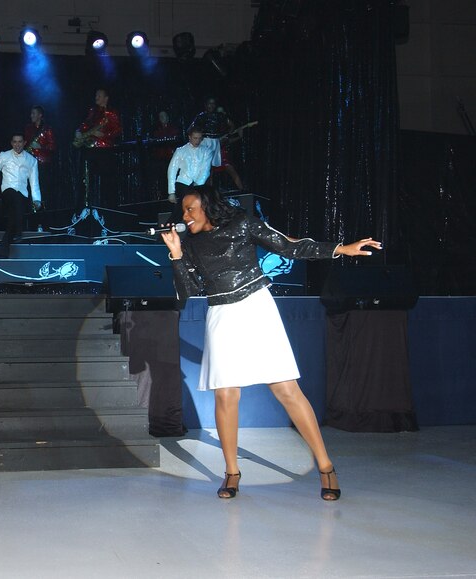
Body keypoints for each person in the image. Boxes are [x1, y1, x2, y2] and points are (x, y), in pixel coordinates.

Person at [161, 186, 382, 500]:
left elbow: (289, 248)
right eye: (183, 211)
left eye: (190, 209)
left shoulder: (242, 223)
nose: (184, 216)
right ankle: (232, 472)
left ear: (208, 207)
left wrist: (340, 249)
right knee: (226, 395)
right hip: (221, 313)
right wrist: (177, 254)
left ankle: (325, 466)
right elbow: (187, 292)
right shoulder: (191, 243)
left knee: (286, 389)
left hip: (255, 306)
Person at [0, 133, 41, 259]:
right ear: (11, 143)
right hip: (8, 190)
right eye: (15, 142)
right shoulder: (4, 156)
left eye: (20, 142)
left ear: (24, 142)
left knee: (14, 213)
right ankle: (18, 231)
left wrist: (37, 199)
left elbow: (34, 182)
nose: (17, 144)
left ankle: (4, 248)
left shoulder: (31, 160)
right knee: (15, 200)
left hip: (22, 193)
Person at [73, 88, 121, 208]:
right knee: (87, 179)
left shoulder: (112, 113)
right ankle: (86, 207)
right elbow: (85, 124)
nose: (96, 97)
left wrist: (104, 135)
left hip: (105, 150)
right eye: (96, 95)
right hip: (90, 149)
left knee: (107, 181)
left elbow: (117, 130)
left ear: (106, 98)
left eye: (99, 95)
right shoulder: (92, 111)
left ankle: (110, 208)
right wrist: (79, 131)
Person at [166, 126, 221, 222]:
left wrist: (198, 186)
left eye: (199, 138)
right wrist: (171, 192)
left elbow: (205, 170)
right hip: (183, 182)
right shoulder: (180, 151)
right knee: (181, 208)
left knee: (204, 206)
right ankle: (168, 230)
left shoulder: (207, 152)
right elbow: (172, 170)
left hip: (199, 184)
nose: (197, 141)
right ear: (189, 137)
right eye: (195, 138)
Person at [191, 97, 244, 191]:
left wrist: (226, 136)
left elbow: (231, 126)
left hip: (216, 143)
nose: (211, 106)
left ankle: (211, 192)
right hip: (205, 142)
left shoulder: (219, 116)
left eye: (213, 104)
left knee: (213, 168)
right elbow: (191, 129)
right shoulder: (201, 116)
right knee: (206, 169)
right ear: (205, 105)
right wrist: (199, 138)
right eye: (209, 103)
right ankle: (206, 192)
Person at [24, 105, 56, 221]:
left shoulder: (47, 129)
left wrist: (40, 146)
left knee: (43, 190)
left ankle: (43, 219)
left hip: (43, 165)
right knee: (29, 190)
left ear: (40, 115)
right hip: (29, 164)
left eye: (33, 113)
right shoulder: (28, 128)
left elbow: (52, 147)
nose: (31, 116)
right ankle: (31, 218)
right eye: (31, 113)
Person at [149, 110, 180, 199]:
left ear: (168, 117)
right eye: (160, 117)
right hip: (160, 159)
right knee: (162, 179)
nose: (163, 118)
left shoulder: (173, 128)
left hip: (172, 158)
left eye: (164, 116)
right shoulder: (156, 130)